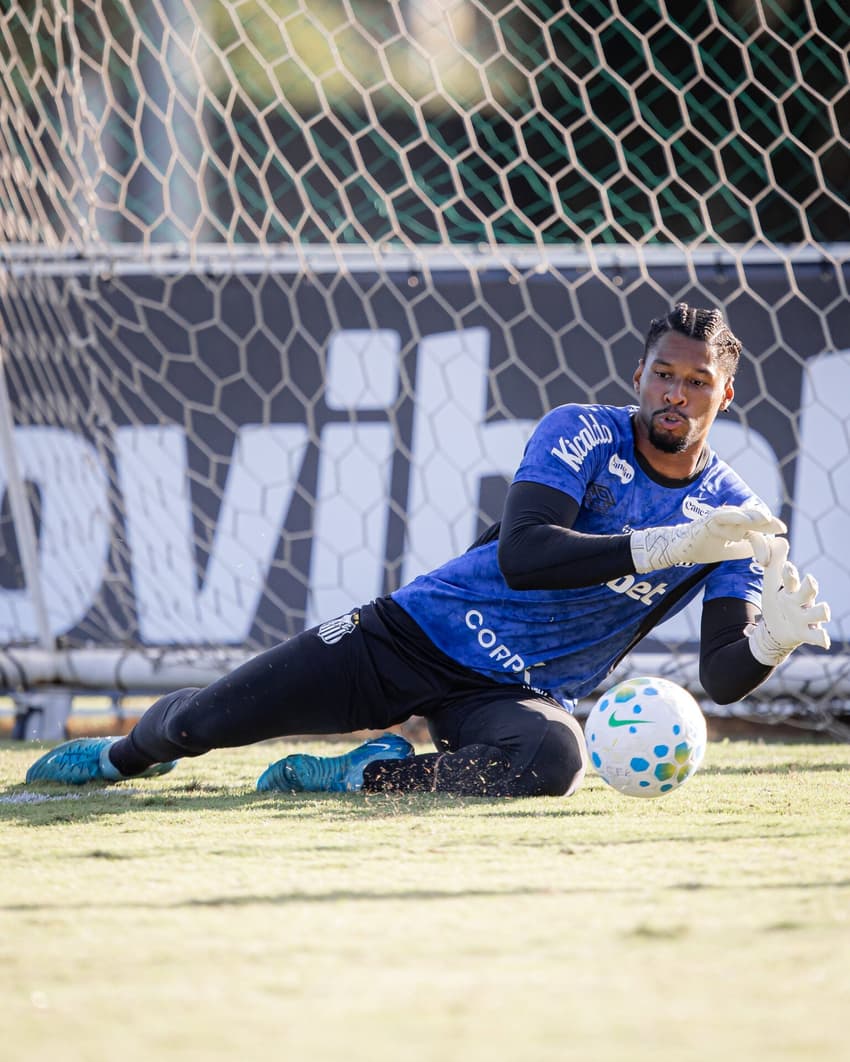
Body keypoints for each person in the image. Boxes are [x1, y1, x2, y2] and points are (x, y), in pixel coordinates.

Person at [26, 303, 831, 797]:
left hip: (516, 693)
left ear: (726, 395)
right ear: (640, 374)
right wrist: (663, 544)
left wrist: (769, 640)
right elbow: (526, 554)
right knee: (200, 723)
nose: (674, 397)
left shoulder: (735, 519)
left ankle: (361, 775)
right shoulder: (582, 430)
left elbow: (724, 679)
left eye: (696, 384)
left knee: (556, 762)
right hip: (412, 636)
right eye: (663, 375)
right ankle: (119, 759)